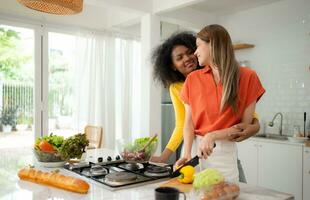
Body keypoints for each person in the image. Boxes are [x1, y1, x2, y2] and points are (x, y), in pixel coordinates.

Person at [151, 31, 261, 182]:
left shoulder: (233, 77)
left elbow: (246, 119)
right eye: (179, 57)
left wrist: (255, 126)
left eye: (191, 52)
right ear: (172, 66)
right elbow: (183, 124)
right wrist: (169, 155)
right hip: (197, 147)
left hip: (223, 146)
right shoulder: (179, 86)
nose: (189, 57)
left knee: (235, 189)